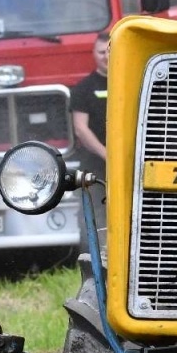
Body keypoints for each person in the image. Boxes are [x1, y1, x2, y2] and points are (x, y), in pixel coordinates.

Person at [69, 31, 112, 252]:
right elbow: (80, 128)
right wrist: (106, 154)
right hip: (94, 165)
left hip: (128, 163)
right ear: (93, 54)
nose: (105, 56)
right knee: (93, 210)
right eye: (101, 52)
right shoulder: (83, 88)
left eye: (109, 51)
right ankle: (93, 257)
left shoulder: (129, 82)